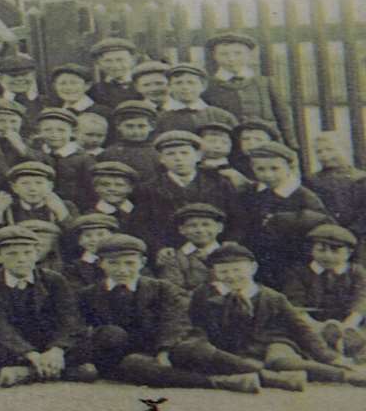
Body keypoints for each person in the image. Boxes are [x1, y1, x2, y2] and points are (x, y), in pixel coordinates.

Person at [75, 234, 262, 393]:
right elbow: (84, 330)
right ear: (101, 264)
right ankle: (220, 382)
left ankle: (265, 374)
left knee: (194, 349)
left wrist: (164, 349)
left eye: (129, 263)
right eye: (113, 263)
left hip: (162, 345)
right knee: (137, 366)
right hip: (123, 356)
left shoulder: (161, 288)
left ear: (142, 263)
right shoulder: (89, 294)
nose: (122, 270)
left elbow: (175, 319)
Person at [185, 243, 364, 388]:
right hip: (234, 349)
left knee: (280, 360)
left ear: (253, 268)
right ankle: (276, 377)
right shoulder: (204, 295)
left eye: (237, 270)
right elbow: (196, 324)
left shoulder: (272, 296)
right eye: (223, 272)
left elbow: (300, 328)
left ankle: (345, 376)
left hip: (272, 342)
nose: (231, 276)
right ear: (214, 273)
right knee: (222, 359)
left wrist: (331, 357)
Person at [0, 226, 96, 387]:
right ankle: (55, 370)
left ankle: (26, 372)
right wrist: (30, 354)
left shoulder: (54, 280)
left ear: (36, 253)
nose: (21, 259)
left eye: (28, 253)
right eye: (12, 254)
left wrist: (57, 350)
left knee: (92, 340)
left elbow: (70, 319)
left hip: (50, 342)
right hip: (15, 347)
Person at [240, 140, 330, 283]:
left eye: (275, 169)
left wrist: (287, 220)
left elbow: (323, 227)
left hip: (294, 263)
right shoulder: (252, 194)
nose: (268, 175)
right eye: (260, 169)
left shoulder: (305, 197)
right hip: (260, 262)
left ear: (290, 167)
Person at [139, 130, 244, 251]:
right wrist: (159, 248)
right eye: (170, 154)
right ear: (161, 159)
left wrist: (231, 241)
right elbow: (142, 226)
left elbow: (237, 217)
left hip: (215, 250)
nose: (178, 158)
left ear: (198, 156)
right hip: (172, 252)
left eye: (185, 153)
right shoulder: (149, 188)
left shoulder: (219, 183)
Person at [278, 223, 366, 359]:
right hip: (311, 323)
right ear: (311, 250)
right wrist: (317, 327)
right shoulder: (299, 273)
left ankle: (348, 343)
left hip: (348, 322)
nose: (328, 256)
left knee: (357, 338)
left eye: (335, 251)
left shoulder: (356, 272)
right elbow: (295, 304)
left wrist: (348, 325)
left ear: (348, 253)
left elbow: (361, 299)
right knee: (304, 338)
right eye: (321, 250)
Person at [204, 31, 295, 149]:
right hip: (229, 146)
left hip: (266, 144)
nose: (231, 59)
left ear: (249, 55)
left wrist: (290, 143)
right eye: (224, 54)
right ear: (214, 56)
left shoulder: (266, 83)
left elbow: (283, 116)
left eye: (238, 53)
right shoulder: (208, 86)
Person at [153, 202, 228, 292]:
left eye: (206, 224)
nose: (200, 230)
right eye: (192, 225)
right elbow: (174, 293)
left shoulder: (229, 254)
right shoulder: (173, 258)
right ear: (182, 229)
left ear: (220, 227)